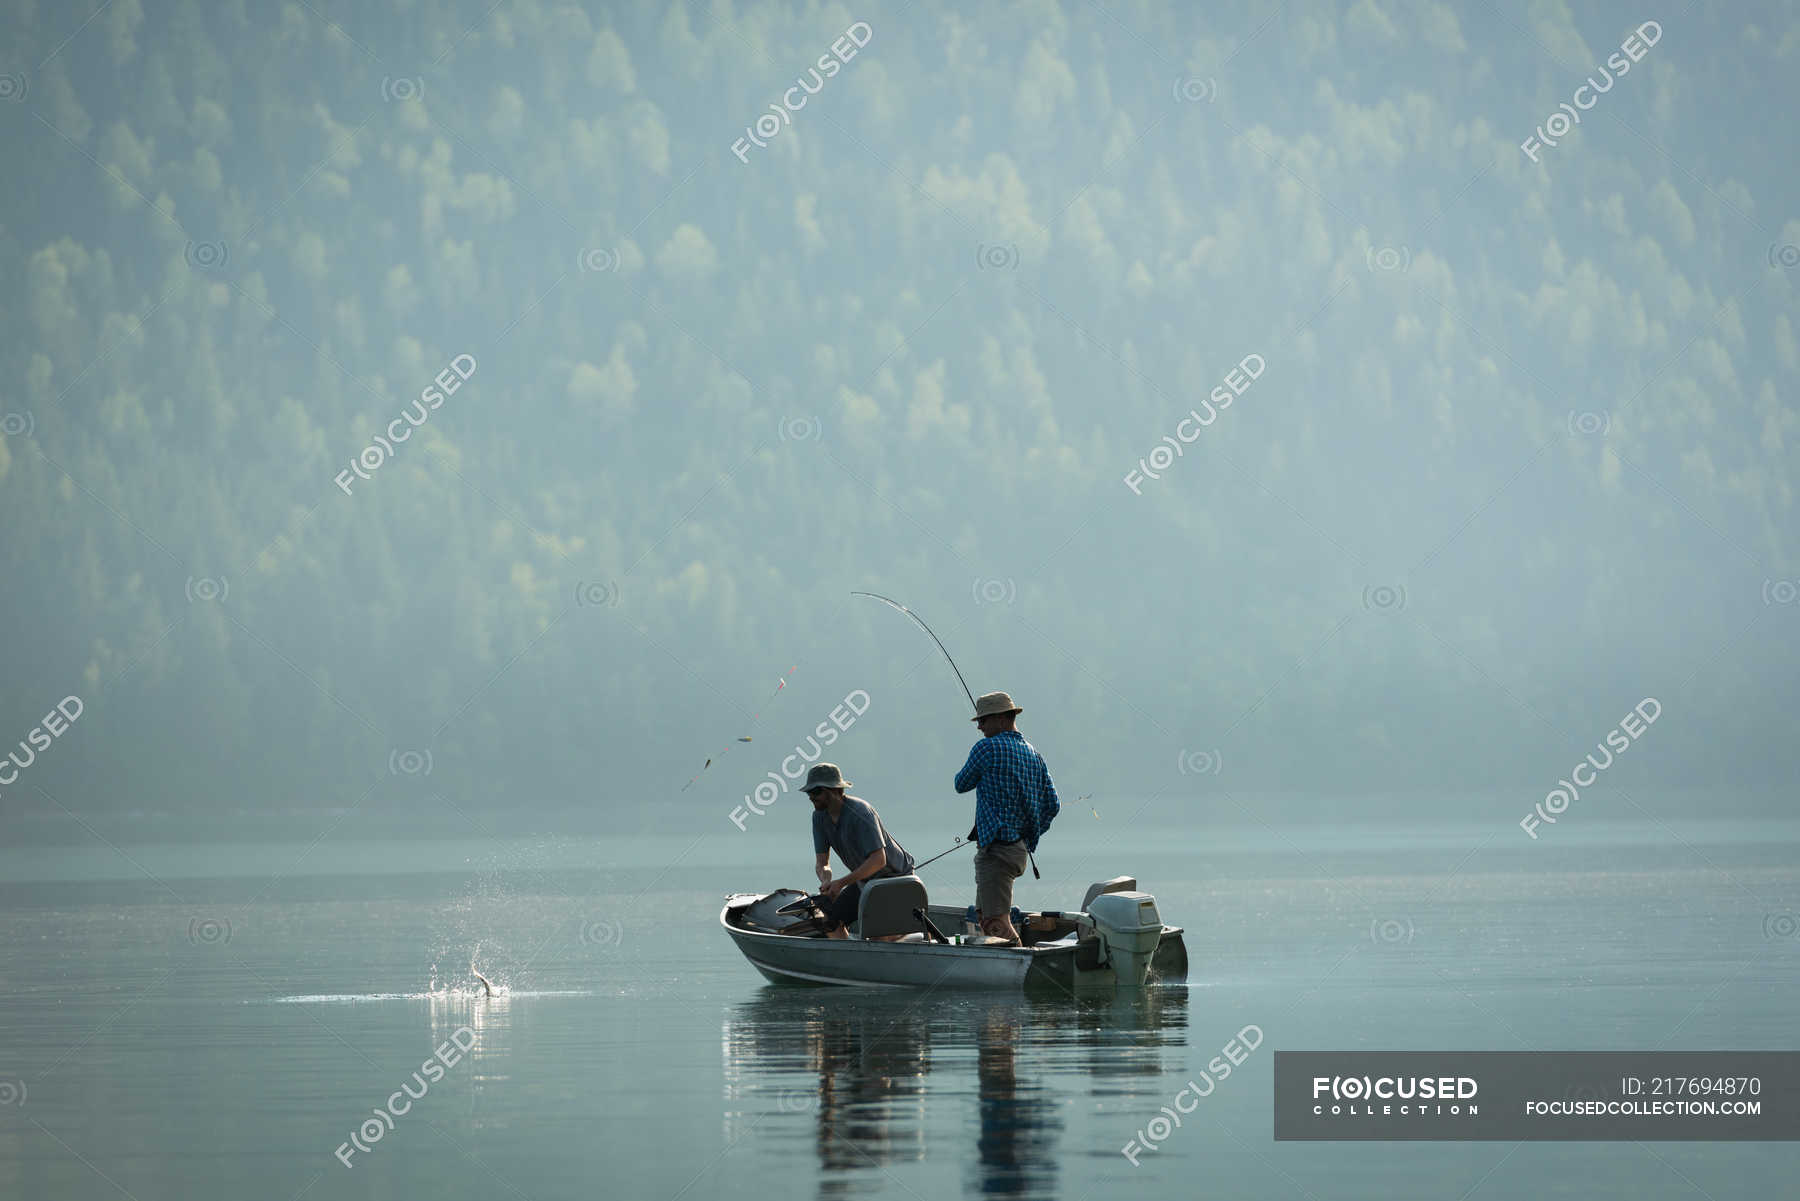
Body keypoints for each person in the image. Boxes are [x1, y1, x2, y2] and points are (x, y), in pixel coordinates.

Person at [953, 691, 1059, 945]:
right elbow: (1053, 805)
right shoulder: (1033, 753)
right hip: (1018, 850)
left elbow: (960, 783)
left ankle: (1022, 964)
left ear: (1001, 719)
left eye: (983, 720)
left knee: (995, 924)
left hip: (997, 852)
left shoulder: (986, 748)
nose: (979, 726)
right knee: (984, 916)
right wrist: (1029, 833)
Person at [805, 763, 916, 940]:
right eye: (809, 792)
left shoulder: (861, 812)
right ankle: (844, 958)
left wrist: (841, 883)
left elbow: (879, 860)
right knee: (829, 920)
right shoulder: (819, 817)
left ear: (834, 790)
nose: (811, 797)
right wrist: (826, 880)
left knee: (877, 935)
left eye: (816, 791)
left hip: (895, 882)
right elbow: (822, 863)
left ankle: (897, 935)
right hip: (865, 883)